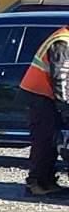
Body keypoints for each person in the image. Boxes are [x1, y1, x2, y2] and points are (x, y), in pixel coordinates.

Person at [23, 12, 69, 199]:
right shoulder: (62, 42)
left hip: (46, 95)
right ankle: (37, 183)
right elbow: (60, 78)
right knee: (44, 141)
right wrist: (65, 107)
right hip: (42, 95)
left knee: (50, 141)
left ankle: (46, 180)